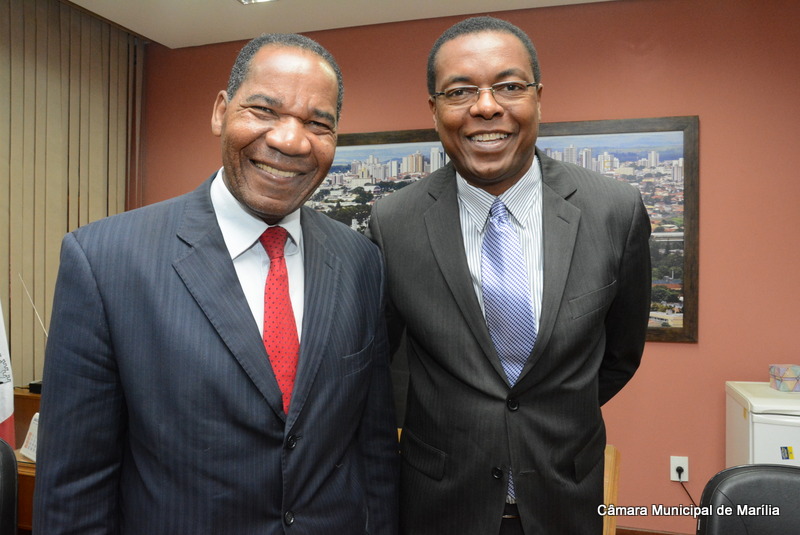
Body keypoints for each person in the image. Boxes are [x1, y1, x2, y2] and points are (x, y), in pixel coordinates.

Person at [33, 33, 398, 535]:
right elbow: (75, 487)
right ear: (221, 111)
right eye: (264, 110)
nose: (291, 140)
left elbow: (374, 453)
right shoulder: (104, 260)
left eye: (318, 123)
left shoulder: (361, 262)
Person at [368, 16, 651, 535]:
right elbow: (380, 365)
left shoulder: (615, 210)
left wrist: (551, 415)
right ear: (434, 109)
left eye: (509, 86)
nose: (486, 107)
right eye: (460, 91)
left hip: (565, 495)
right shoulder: (393, 222)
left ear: (538, 99)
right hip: (438, 502)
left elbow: (619, 356)